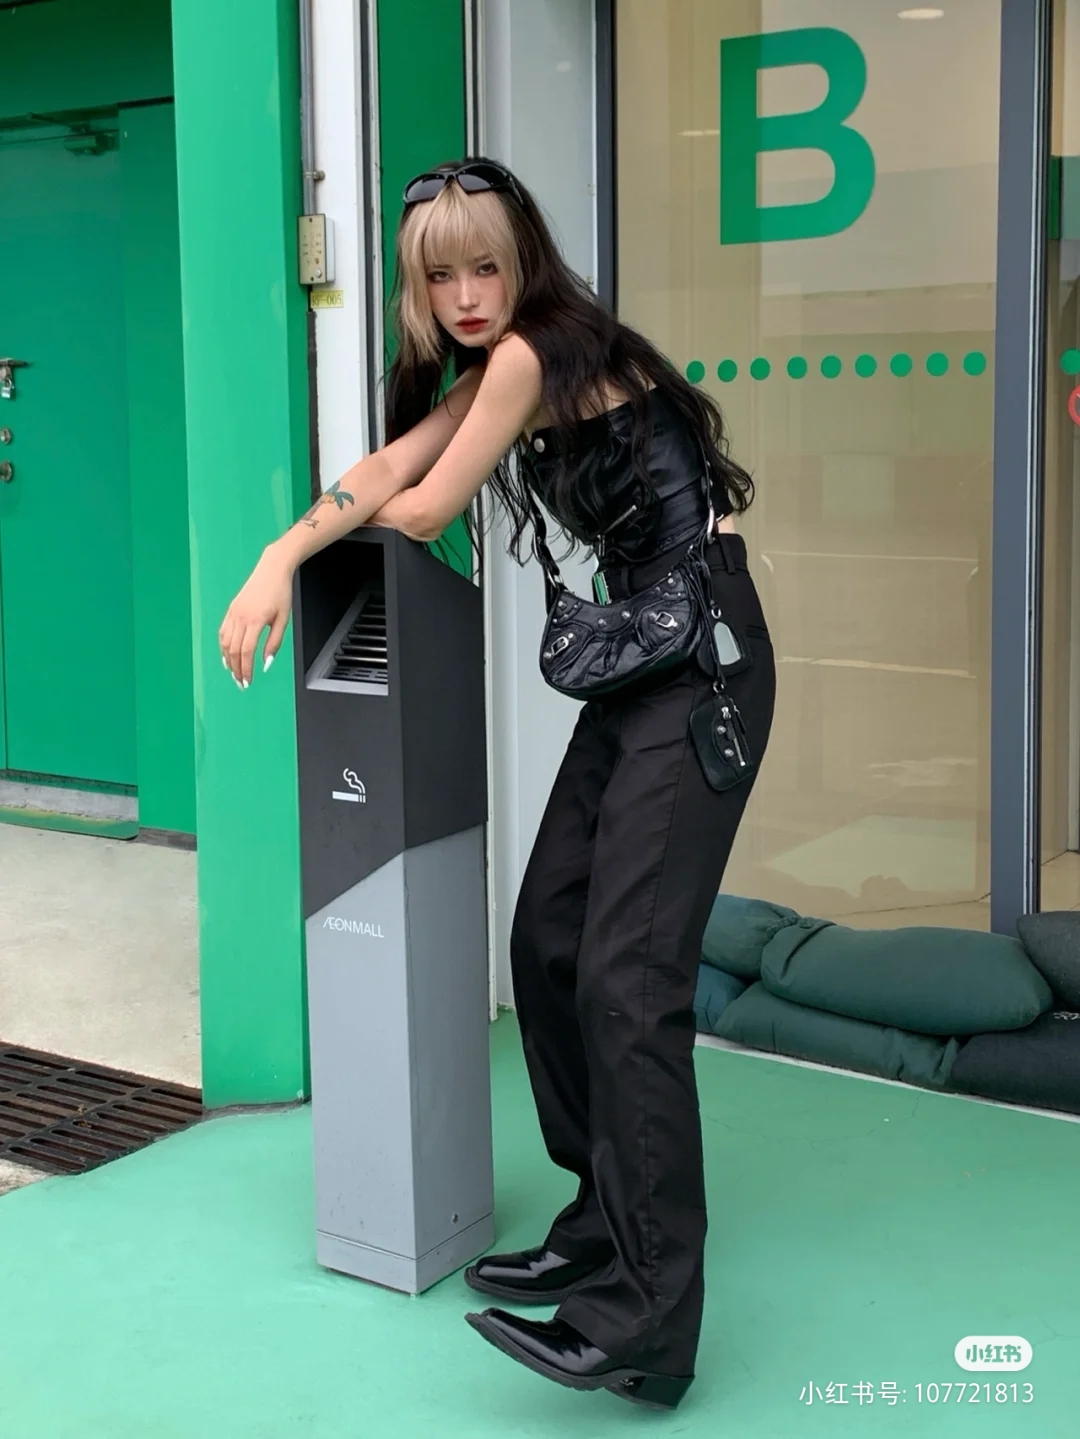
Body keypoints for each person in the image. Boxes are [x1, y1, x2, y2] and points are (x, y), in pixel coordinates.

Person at [219, 158, 775, 1411]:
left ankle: (647, 1314)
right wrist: (275, 552)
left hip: (702, 668)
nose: (466, 294)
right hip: (646, 656)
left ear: (524, 261)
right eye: (440, 276)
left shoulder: (534, 352)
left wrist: (289, 551)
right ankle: (600, 1218)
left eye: (485, 265)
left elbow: (419, 505)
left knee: (627, 982)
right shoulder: (505, 368)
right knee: (549, 941)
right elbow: (394, 463)